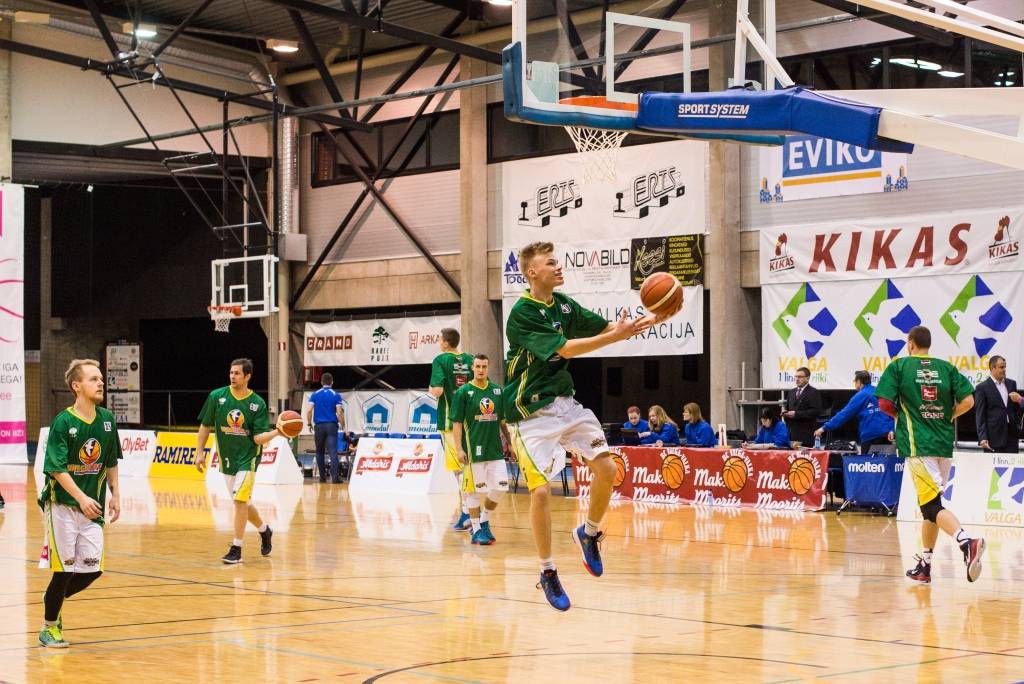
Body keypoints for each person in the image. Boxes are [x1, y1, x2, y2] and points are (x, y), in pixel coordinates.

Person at [504, 241, 673, 611]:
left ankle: (589, 532)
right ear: (532, 272)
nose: (558, 266)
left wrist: (648, 321)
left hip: (564, 404)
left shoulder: (563, 305)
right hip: (528, 414)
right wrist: (614, 336)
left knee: (608, 468)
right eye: (550, 263)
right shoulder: (522, 313)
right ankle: (547, 571)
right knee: (542, 493)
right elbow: (565, 349)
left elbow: (610, 327)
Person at [875, 326, 985, 585]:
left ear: (910, 343)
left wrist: (901, 417)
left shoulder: (899, 366)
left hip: (918, 445)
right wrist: (949, 415)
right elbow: (969, 401)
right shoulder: (945, 368)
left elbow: (883, 404)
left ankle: (967, 542)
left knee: (931, 506)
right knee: (930, 507)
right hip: (943, 443)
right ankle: (925, 565)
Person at [37, 359, 122, 648]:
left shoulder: (107, 420)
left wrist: (116, 494)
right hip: (61, 505)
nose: (100, 383)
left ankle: (53, 599)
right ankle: (49, 627)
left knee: (92, 570)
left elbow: (110, 460)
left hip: (92, 507)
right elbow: (57, 469)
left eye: (100, 379)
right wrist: (81, 497)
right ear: (77, 386)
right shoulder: (64, 422)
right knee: (63, 570)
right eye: (93, 379)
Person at [195, 358, 281, 564]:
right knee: (243, 503)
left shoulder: (257, 404)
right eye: (231, 372)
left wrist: (277, 432)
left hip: (248, 459)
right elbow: (205, 426)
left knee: (240, 501)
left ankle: (236, 548)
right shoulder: (217, 397)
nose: (232, 376)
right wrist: (200, 452)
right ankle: (264, 530)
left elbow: (258, 438)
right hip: (227, 459)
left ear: (248, 376)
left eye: (237, 373)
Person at [450, 354, 511, 546]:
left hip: (494, 450)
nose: (481, 370)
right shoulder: (463, 392)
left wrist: (511, 443)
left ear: (489, 367)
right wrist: (459, 449)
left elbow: (502, 421)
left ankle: (484, 520)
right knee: (473, 491)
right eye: (478, 366)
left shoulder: (497, 391)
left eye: (484, 366)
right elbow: (457, 424)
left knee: (501, 487)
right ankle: (476, 529)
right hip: (473, 450)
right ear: (472, 368)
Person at [428, 328, 475, 531]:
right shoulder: (470, 359)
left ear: (446, 343)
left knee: (459, 469)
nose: (439, 342)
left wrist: (430, 389)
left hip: (450, 422)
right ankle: (471, 511)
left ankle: (468, 512)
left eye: (440, 339)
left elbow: (437, 390)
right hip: (471, 420)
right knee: (472, 467)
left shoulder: (441, 360)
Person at [814, 370, 894, 454]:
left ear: (859, 381)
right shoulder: (881, 392)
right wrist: (892, 429)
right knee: (885, 465)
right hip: (887, 435)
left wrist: (823, 428)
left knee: (869, 465)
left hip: (871, 436)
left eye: (854, 381)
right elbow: (891, 413)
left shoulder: (861, 395)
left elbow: (844, 414)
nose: (854, 383)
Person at [974, 355, 1023, 454]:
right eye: (1001, 367)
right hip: (993, 437)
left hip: (1012, 436)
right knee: (992, 469)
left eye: (1005, 367)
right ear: (992, 368)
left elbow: (1016, 408)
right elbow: (980, 415)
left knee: (1011, 467)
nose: (1004, 370)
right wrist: (983, 437)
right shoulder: (982, 387)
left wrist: (1017, 424)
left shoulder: (1011, 384)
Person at [305, 371, 346, 482]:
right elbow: (339, 412)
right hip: (331, 426)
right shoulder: (336, 395)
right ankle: (335, 478)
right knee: (333, 452)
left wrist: (309, 423)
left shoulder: (315, 394)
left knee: (319, 451)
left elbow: (308, 411)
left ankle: (322, 478)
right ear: (332, 382)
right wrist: (343, 425)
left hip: (319, 426)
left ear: (321, 382)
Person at [784, 366, 823, 447]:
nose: (797, 379)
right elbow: (787, 408)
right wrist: (785, 414)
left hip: (806, 434)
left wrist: (796, 414)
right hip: (791, 434)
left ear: (807, 378)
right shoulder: (791, 392)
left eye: (800, 377)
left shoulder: (814, 392)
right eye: (796, 376)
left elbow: (816, 411)